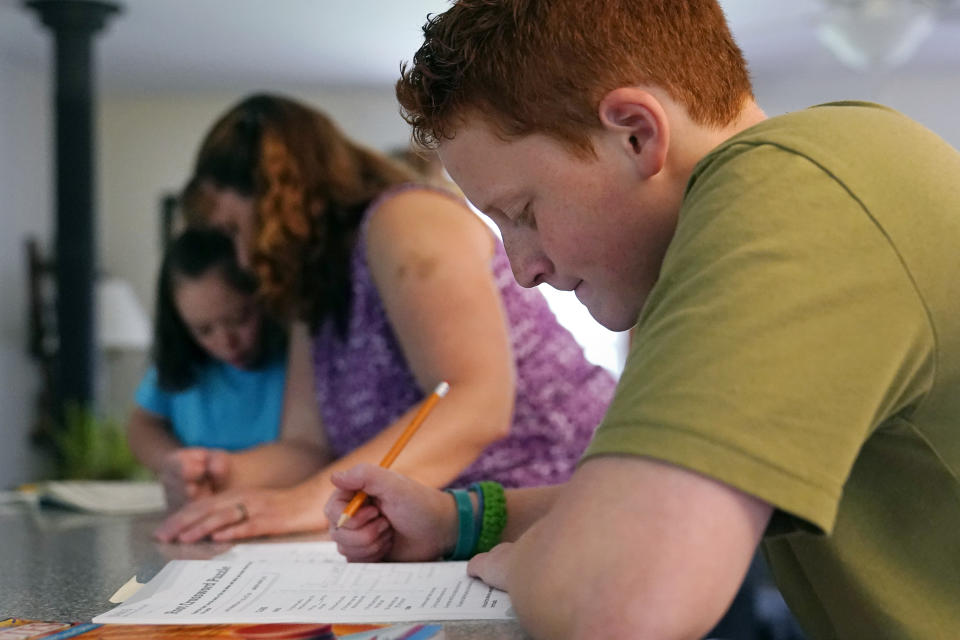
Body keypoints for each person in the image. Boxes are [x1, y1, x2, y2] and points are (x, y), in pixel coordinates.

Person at [325, 1, 960, 639]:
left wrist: (543, 567)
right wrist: (455, 522)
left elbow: (615, 603)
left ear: (636, 132)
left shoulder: (794, 193)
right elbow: (646, 507)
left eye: (523, 212)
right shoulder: (815, 182)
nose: (523, 270)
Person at [152, 93, 617, 543]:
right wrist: (223, 475)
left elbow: (476, 403)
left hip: (570, 496)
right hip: (453, 528)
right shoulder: (312, 289)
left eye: (236, 227)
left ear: (277, 197)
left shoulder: (404, 218)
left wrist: (303, 503)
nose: (244, 259)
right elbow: (309, 447)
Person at [128, 228, 319, 509]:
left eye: (240, 319)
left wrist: (223, 474)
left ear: (266, 296)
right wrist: (177, 466)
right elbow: (142, 424)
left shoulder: (299, 361)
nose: (226, 342)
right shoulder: (184, 362)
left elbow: (314, 452)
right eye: (204, 330)